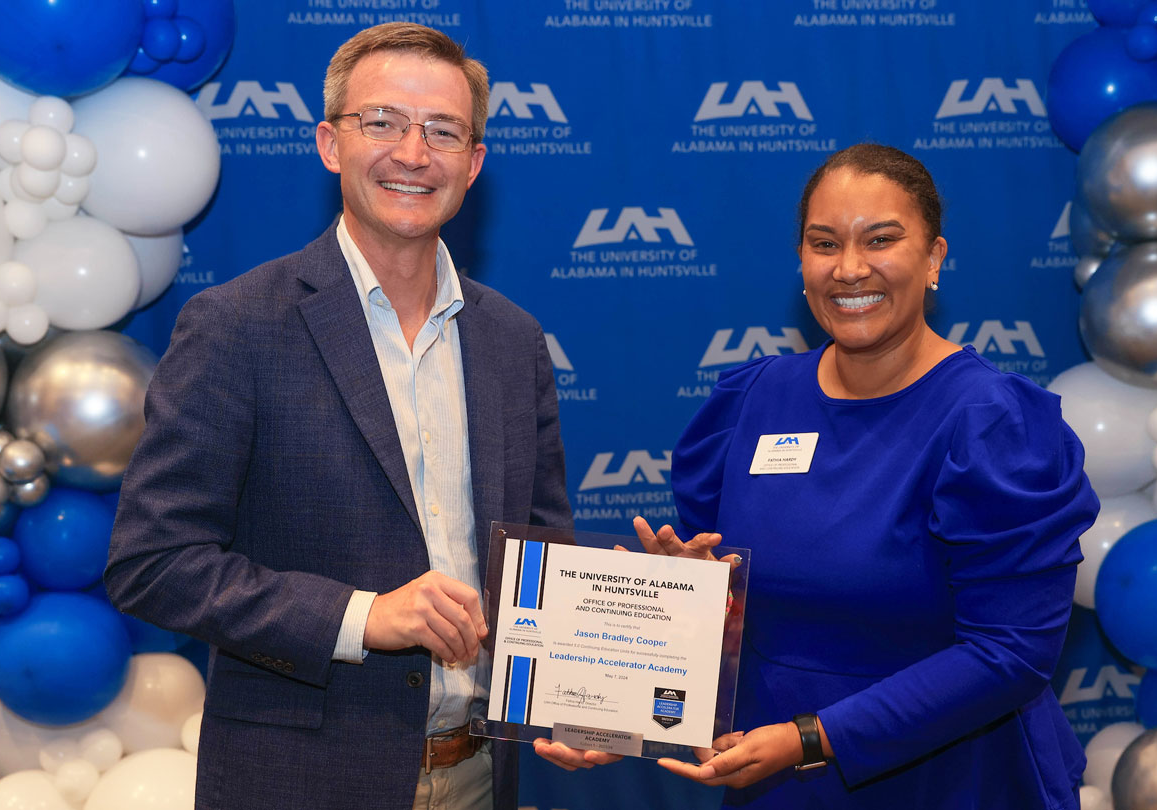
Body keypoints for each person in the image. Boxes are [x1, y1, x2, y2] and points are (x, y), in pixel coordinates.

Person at [543, 143, 1098, 808]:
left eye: (882, 239)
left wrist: (812, 739)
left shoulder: (993, 424)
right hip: (775, 778)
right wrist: (634, 691)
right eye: (824, 243)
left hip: (949, 779)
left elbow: (1011, 654)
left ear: (934, 258)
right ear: (802, 262)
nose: (850, 268)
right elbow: (738, 620)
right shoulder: (751, 400)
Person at [104, 23, 571, 810]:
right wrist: (365, 616)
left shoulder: (513, 340)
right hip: (301, 783)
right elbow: (153, 563)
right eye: (382, 122)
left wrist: (583, 690)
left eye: (444, 131)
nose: (413, 153)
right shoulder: (238, 325)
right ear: (329, 143)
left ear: (475, 162)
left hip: (482, 779)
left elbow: (541, 558)